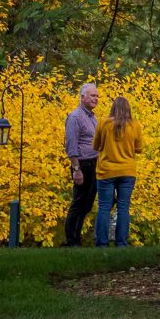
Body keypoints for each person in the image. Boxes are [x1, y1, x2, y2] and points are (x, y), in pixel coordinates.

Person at [93, 93, 144, 247]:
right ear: (128, 109)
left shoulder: (103, 123)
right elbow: (139, 149)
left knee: (104, 207)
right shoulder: (135, 125)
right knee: (123, 207)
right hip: (127, 171)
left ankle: (102, 243)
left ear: (112, 108)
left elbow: (96, 146)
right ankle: (121, 243)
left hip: (106, 171)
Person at [61, 83, 99, 246]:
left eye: (97, 96)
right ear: (82, 97)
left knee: (87, 203)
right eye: (92, 96)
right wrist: (76, 169)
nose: (95, 99)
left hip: (94, 164)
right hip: (82, 165)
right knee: (78, 202)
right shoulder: (75, 117)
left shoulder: (93, 117)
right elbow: (71, 144)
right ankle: (71, 240)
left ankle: (77, 237)